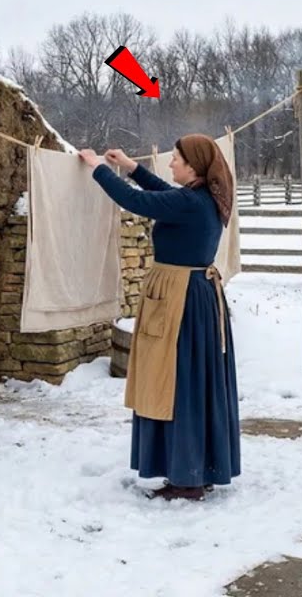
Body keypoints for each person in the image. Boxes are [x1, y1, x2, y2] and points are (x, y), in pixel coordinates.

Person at [77, 135, 240, 501]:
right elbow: (164, 194)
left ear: (194, 167)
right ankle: (197, 467)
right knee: (190, 383)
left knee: (180, 383)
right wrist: (133, 168)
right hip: (192, 296)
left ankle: (187, 478)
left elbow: (140, 201)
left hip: (182, 299)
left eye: (177, 159)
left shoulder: (192, 203)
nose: (171, 164)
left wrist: (98, 168)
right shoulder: (200, 197)